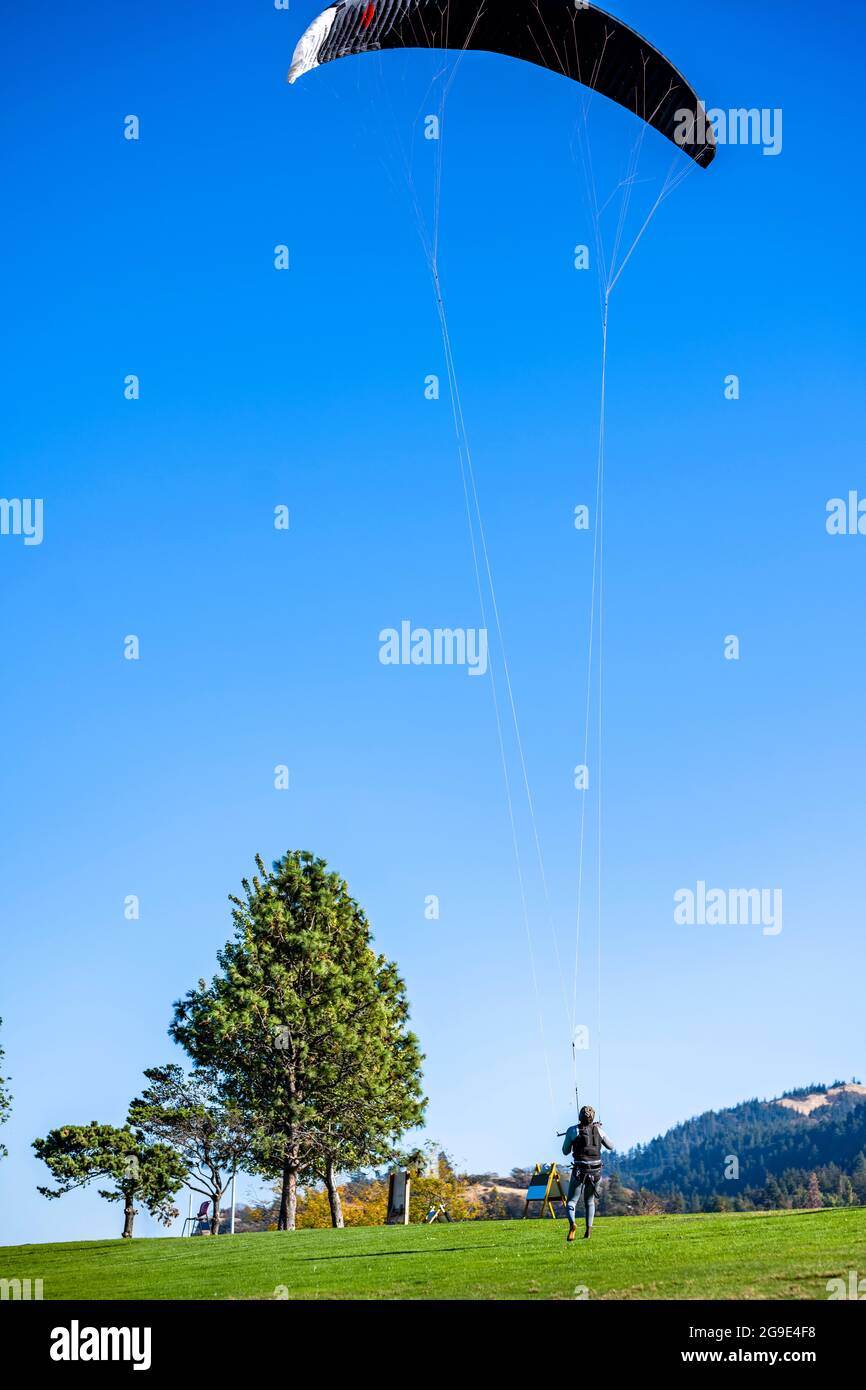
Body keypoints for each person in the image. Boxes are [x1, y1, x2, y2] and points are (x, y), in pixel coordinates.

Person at [562, 1105, 614, 1242]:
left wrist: (570, 1138)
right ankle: (588, 1232)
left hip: (579, 1171)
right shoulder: (599, 1130)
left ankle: (572, 1224)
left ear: (580, 1116)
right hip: (596, 1172)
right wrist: (598, 1129)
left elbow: (565, 1151)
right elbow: (611, 1146)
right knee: (590, 1201)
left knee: (571, 1201)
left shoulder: (573, 1130)